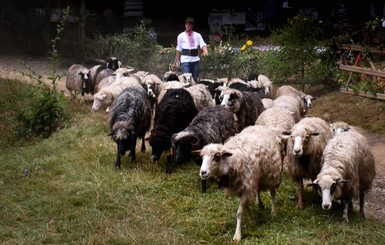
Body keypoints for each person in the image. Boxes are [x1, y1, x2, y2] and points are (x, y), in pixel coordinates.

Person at [175, 17, 209, 82]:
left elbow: (202, 44)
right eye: (186, 24)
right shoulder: (181, 36)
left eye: (189, 24)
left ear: (192, 26)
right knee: (187, 79)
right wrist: (177, 61)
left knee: (195, 79)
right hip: (185, 60)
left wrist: (205, 50)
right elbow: (179, 48)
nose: (187, 26)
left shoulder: (197, 35)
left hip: (195, 60)